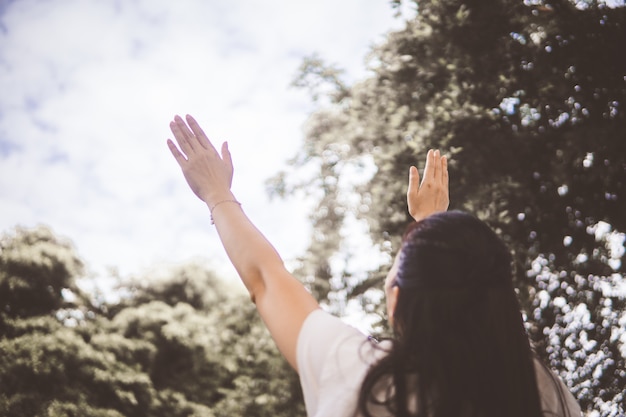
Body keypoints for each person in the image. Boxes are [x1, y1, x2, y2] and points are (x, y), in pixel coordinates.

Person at [166, 114, 582, 417]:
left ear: (398, 301)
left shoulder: (363, 377)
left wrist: (217, 194)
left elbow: (267, 281)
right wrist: (430, 231)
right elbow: (458, 291)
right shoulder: (551, 396)